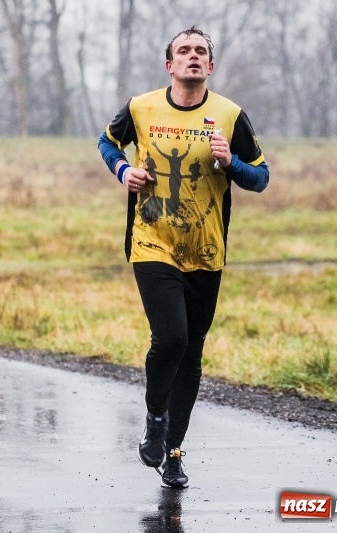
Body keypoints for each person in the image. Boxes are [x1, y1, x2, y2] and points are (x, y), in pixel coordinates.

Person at [97, 26, 269, 488]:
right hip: (152, 239)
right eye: (184, 51)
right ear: (169, 64)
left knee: (191, 352)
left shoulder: (230, 115)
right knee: (171, 338)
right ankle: (155, 420)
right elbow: (107, 142)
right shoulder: (141, 107)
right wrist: (123, 170)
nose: (192, 56)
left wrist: (231, 163)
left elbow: (261, 177)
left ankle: (173, 452)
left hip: (206, 249)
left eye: (200, 52)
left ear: (210, 66)